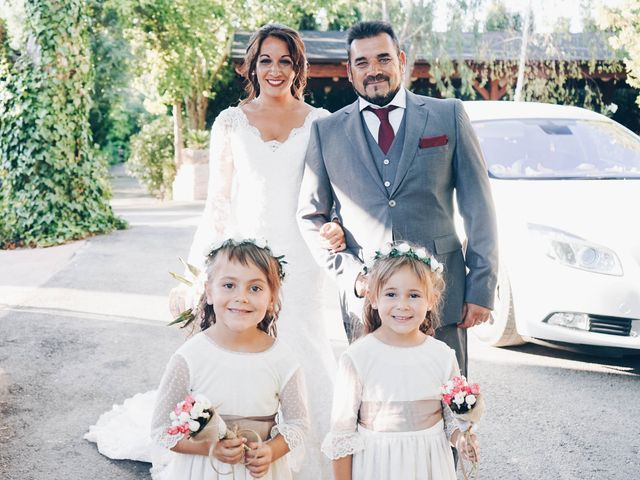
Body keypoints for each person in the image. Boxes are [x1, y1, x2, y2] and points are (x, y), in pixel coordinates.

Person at [87, 24, 344, 480]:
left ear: (298, 66)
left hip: (301, 260)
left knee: (302, 344)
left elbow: (334, 195)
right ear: (251, 66)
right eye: (266, 60)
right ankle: (232, 442)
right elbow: (219, 203)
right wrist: (198, 277)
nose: (275, 69)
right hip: (243, 258)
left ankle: (308, 455)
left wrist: (336, 228)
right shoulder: (230, 122)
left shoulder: (321, 122)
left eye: (285, 60)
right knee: (237, 345)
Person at [297, 20, 499, 375]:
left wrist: (481, 286)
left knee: (449, 403)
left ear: (401, 60)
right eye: (362, 63)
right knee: (374, 410)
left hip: (441, 295)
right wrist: (352, 276)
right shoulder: (326, 131)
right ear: (349, 70)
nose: (373, 70)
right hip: (367, 302)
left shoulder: (447, 115)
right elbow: (310, 216)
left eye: (383, 59)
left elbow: (479, 208)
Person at [151, 239, 309, 479]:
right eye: (229, 285)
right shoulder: (190, 357)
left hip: (261, 472)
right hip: (203, 470)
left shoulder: (283, 359)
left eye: (255, 288)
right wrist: (209, 447)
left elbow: (298, 423)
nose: (241, 297)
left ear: (271, 298)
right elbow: (161, 430)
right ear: (210, 291)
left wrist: (271, 450)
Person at [320, 242, 478, 480]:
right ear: (373, 297)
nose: (402, 305)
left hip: (429, 466)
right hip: (378, 466)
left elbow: (450, 421)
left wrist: (463, 440)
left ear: (431, 300)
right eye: (391, 294)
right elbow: (342, 435)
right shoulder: (358, 357)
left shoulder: (442, 355)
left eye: (414, 295)